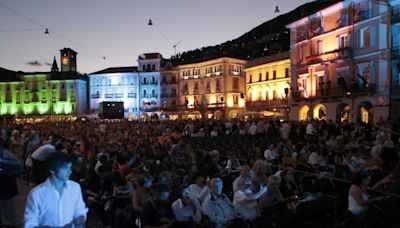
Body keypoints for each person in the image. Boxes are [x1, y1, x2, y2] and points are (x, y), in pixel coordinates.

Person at [24, 152, 88, 228]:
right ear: (52, 170)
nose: (70, 171)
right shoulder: (37, 193)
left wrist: (79, 222)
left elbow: (80, 210)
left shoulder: (75, 187)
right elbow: (30, 221)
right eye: (65, 168)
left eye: (70, 168)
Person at [0, 139, 21, 228]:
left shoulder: (7, 155)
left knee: (8, 206)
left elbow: (18, 168)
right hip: (3, 184)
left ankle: (10, 224)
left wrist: (5, 173)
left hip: (7, 184)